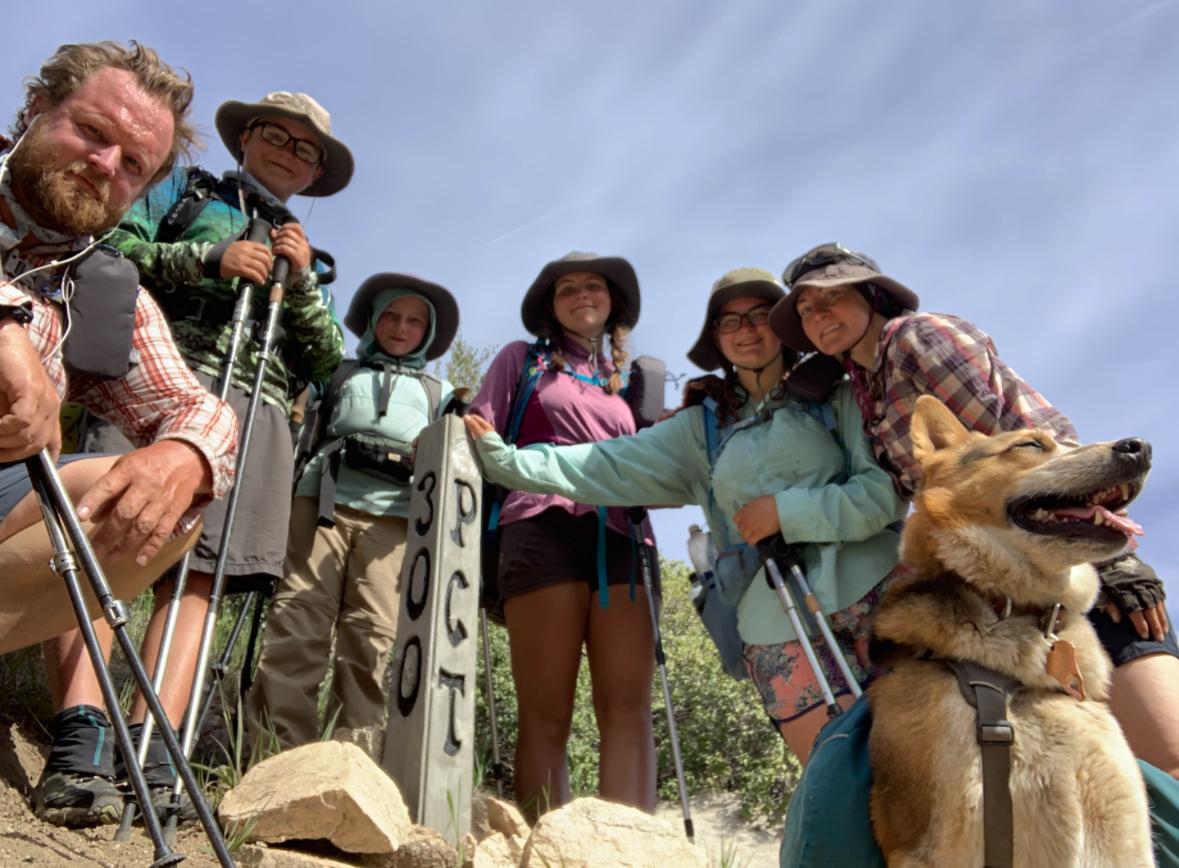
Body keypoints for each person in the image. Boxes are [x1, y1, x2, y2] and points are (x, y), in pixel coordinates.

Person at [43, 89, 352, 824]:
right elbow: (110, 251)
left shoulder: (306, 252)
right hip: (153, 380)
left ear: (314, 173)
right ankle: (78, 738)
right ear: (246, 137)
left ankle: (154, 747)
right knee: (108, 536)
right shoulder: (183, 191)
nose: (288, 153)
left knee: (199, 575)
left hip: (259, 405)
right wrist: (208, 258)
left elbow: (327, 357)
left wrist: (300, 281)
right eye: (276, 136)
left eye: (304, 150)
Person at [464, 266, 908, 766]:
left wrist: (787, 512)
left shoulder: (839, 395)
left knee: (933, 759)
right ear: (716, 341)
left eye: (760, 315)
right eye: (729, 322)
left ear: (783, 326)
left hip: (882, 596)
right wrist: (512, 463)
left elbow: (883, 494)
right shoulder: (698, 428)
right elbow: (604, 461)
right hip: (776, 624)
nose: (746, 330)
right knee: (839, 775)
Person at [768, 242, 1179, 779]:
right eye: (806, 310)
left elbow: (1019, 454)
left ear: (872, 295)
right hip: (1003, 588)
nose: (819, 316)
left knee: (1164, 758)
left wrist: (1113, 560)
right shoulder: (863, 389)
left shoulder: (916, 336)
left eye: (834, 298)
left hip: (1065, 553)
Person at [0, 41, 237, 826]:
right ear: (36, 110)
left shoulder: (101, 285)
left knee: (160, 497)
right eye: (92, 133)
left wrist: (183, 454)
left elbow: (196, 408)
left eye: (134, 163)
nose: (107, 165)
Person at [466, 252, 659, 819]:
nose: (581, 295)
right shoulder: (519, 361)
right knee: (546, 712)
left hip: (625, 536)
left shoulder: (630, 383)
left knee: (628, 707)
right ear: (551, 306)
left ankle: (625, 852)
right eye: (566, 288)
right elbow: (479, 431)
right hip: (540, 526)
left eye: (593, 286)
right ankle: (543, 847)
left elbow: (660, 460)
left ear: (612, 301)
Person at [246, 273, 458, 749]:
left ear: (428, 332)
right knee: (298, 624)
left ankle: (353, 767)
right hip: (321, 503)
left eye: (414, 321)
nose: (400, 327)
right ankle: (276, 760)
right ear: (372, 321)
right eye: (390, 316)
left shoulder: (438, 394)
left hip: (397, 521)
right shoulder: (338, 372)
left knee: (372, 641)